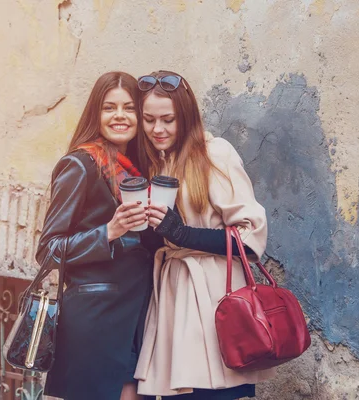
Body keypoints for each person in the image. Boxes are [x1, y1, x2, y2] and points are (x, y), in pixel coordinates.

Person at [134, 71, 276, 399]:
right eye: (149, 119)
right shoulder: (158, 162)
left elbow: (252, 239)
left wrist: (181, 234)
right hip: (171, 297)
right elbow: (164, 238)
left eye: (168, 120)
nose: (158, 129)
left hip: (214, 298)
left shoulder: (216, 154)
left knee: (212, 393)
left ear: (185, 116)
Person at [36, 71, 159, 400]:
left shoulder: (139, 170)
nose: (120, 116)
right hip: (97, 321)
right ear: (96, 113)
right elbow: (48, 251)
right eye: (109, 108)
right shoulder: (80, 165)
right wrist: (109, 232)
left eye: (129, 108)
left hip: (136, 318)